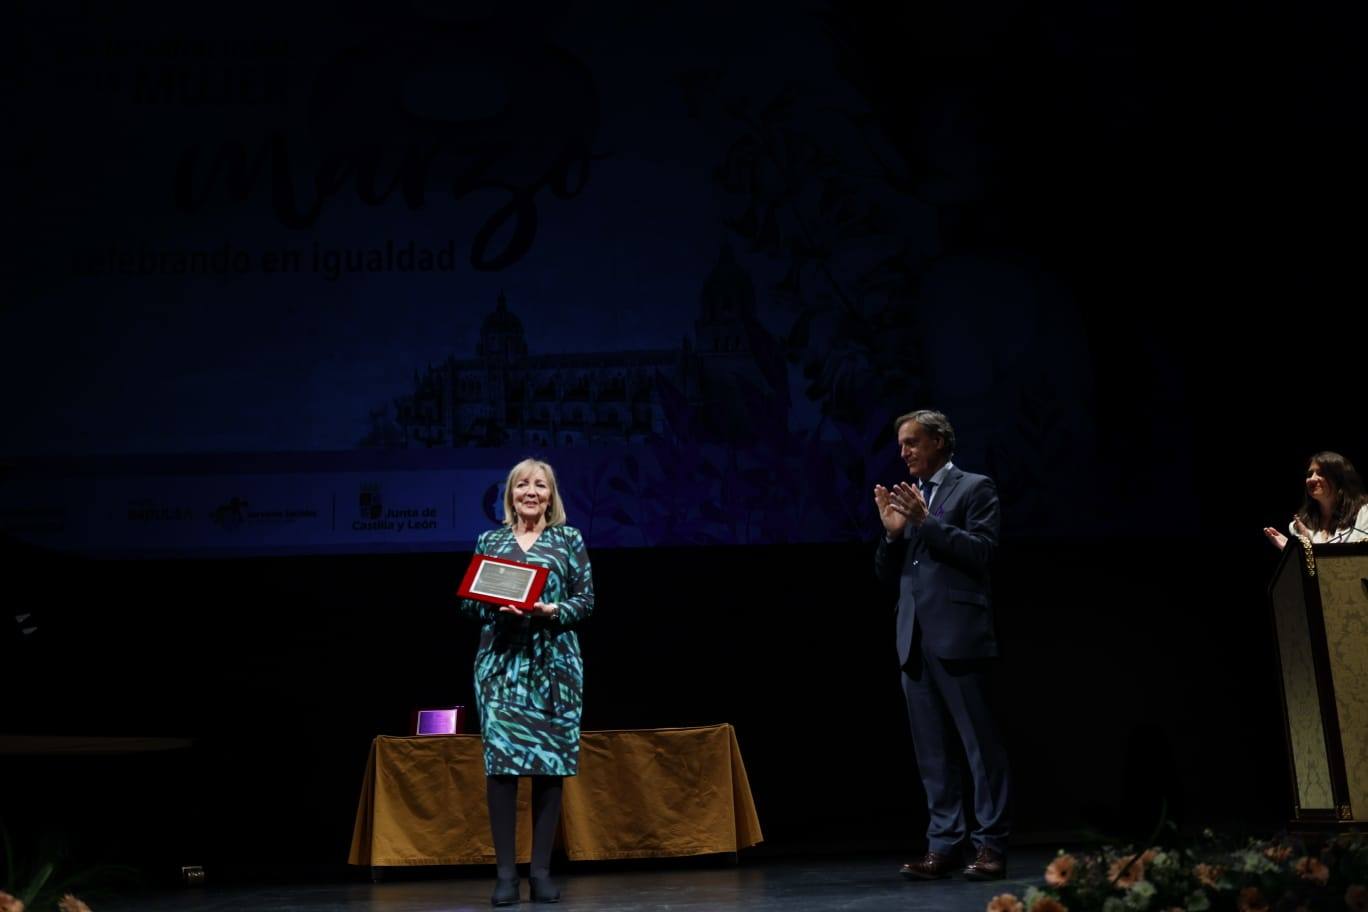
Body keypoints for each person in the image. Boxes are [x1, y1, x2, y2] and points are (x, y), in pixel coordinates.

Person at [873, 409, 1011, 881]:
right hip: (913, 639)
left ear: (938, 441)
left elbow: (982, 552)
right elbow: (890, 574)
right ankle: (944, 845)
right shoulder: (909, 499)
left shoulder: (975, 488)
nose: (904, 452)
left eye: (912, 442)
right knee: (932, 752)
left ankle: (990, 846)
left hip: (959, 635)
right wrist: (893, 536)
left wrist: (927, 522)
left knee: (979, 747)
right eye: (901, 445)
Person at [458, 458, 595, 906]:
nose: (530, 492)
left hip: (554, 667)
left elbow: (586, 601)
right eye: (522, 485)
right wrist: (496, 611)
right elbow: (471, 605)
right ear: (510, 494)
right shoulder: (490, 540)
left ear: (551, 495)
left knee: (548, 767)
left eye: (540, 485)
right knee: (502, 767)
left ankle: (539, 873)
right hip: (502, 666)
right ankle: (504, 876)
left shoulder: (568, 540)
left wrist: (550, 612)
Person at [1263, 451, 1368, 550]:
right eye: (1309, 474)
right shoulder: (1298, 527)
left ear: (1339, 479)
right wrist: (1292, 550)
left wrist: (1309, 547)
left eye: (1321, 473)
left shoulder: (1364, 514)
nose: (1312, 479)